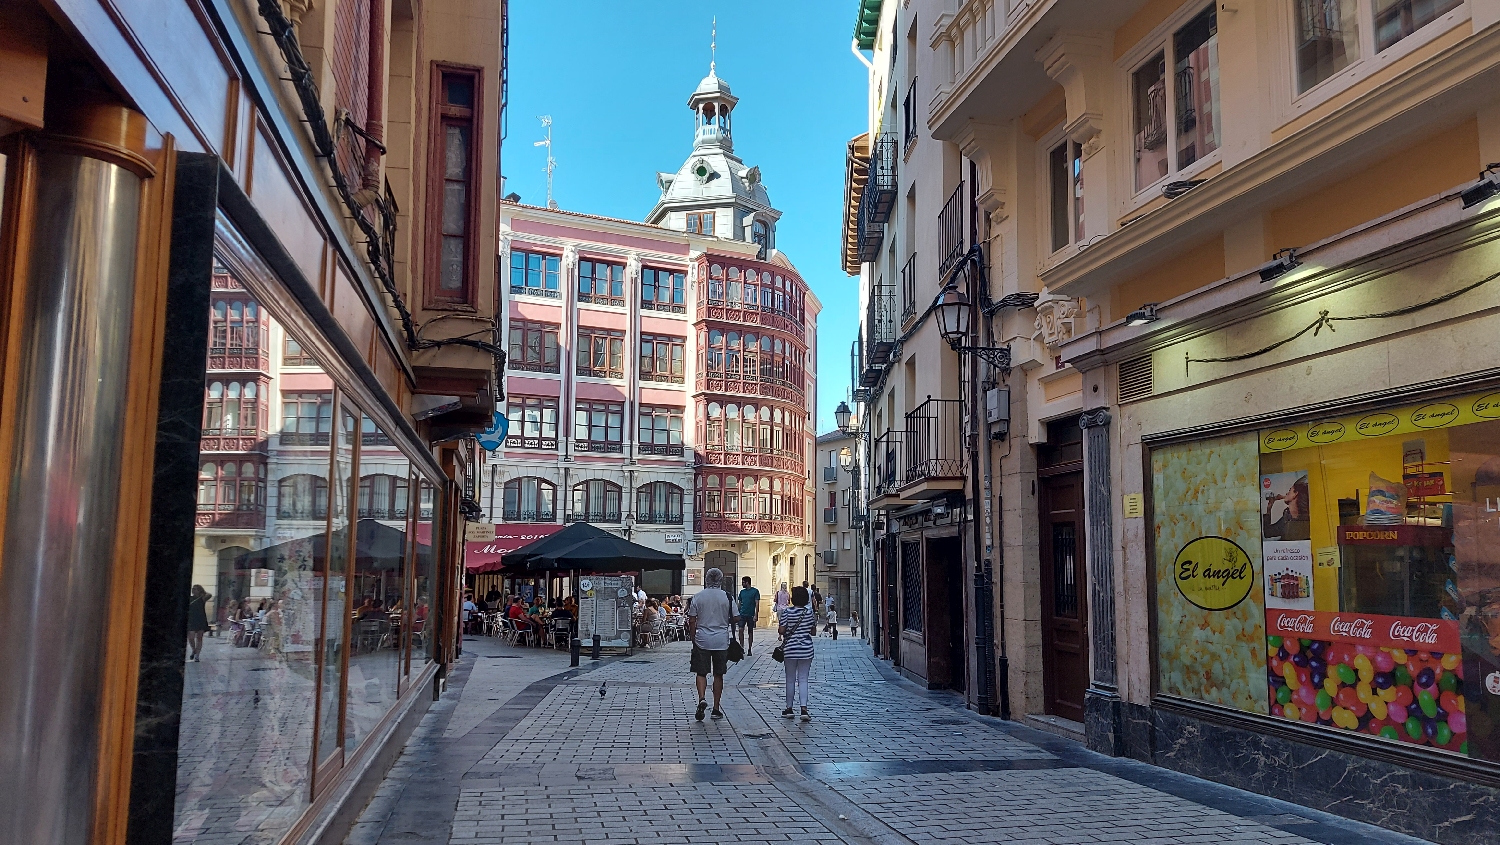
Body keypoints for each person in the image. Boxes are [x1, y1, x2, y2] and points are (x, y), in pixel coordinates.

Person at [686, 567, 736, 721]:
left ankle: (701, 698)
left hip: (702, 639)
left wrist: (693, 636)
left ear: (706, 579)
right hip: (721, 640)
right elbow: (736, 617)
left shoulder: (698, 597)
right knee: (718, 674)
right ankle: (716, 708)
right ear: (721, 580)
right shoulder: (727, 597)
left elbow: (692, 619)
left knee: (701, 672)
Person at [778, 586, 817, 721]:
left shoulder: (787, 612)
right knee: (803, 679)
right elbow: (813, 632)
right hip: (806, 649)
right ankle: (804, 709)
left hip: (790, 649)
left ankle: (789, 708)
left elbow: (781, 630)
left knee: (790, 679)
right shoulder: (809, 613)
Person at [735, 576, 761, 656]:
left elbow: (757, 603)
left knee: (750, 632)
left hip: (750, 614)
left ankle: (750, 648)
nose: (742, 584)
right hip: (742, 614)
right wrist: (737, 613)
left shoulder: (755, 591)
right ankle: (741, 647)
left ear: (747, 582)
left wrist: (756, 615)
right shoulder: (742, 592)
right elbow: (739, 604)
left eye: (743, 582)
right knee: (740, 630)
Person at [187, 585, 211, 662]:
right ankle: (194, 650)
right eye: (192, 589)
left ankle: (197, 656)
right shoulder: (190, 598)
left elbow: (209, 595)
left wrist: (202, 593)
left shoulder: (202, 598)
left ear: (199, 590)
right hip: (191, 619)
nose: (193, 590)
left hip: (200, 619)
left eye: (195, 589)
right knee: (191, 637)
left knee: (199, 637)